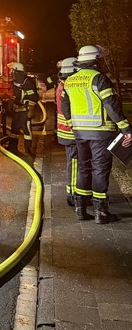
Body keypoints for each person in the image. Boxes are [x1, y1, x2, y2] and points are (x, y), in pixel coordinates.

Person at [61, 44, 132, 223]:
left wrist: (71, 123)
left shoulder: (70, 80)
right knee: (100, 168)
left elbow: (64, 105)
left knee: (84, 167)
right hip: (101, 132)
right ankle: (101, 212)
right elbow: (111, 104)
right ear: (97, 59)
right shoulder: (99, 79)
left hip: (79, 132)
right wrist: (125, 128)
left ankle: (81, 209)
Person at [55, 57, 79, 207]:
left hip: (66, 131)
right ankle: (73, 194)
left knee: (74, 162)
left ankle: (74, 192)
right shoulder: (67, 86)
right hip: (70, 132)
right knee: (75, 163)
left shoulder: (62, 84)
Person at [8, 62, 39, 157]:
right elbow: (16, 94)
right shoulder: (17, 81)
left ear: (16, 71)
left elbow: (33, 97)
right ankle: (12, 148)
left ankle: (28, 149)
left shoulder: (27, 82)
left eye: (13, 71)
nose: (11, 73)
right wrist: (11, 102)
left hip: (25, 110)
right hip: (17, 110)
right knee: (14, 130)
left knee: (26, 130)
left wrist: (31, 109)